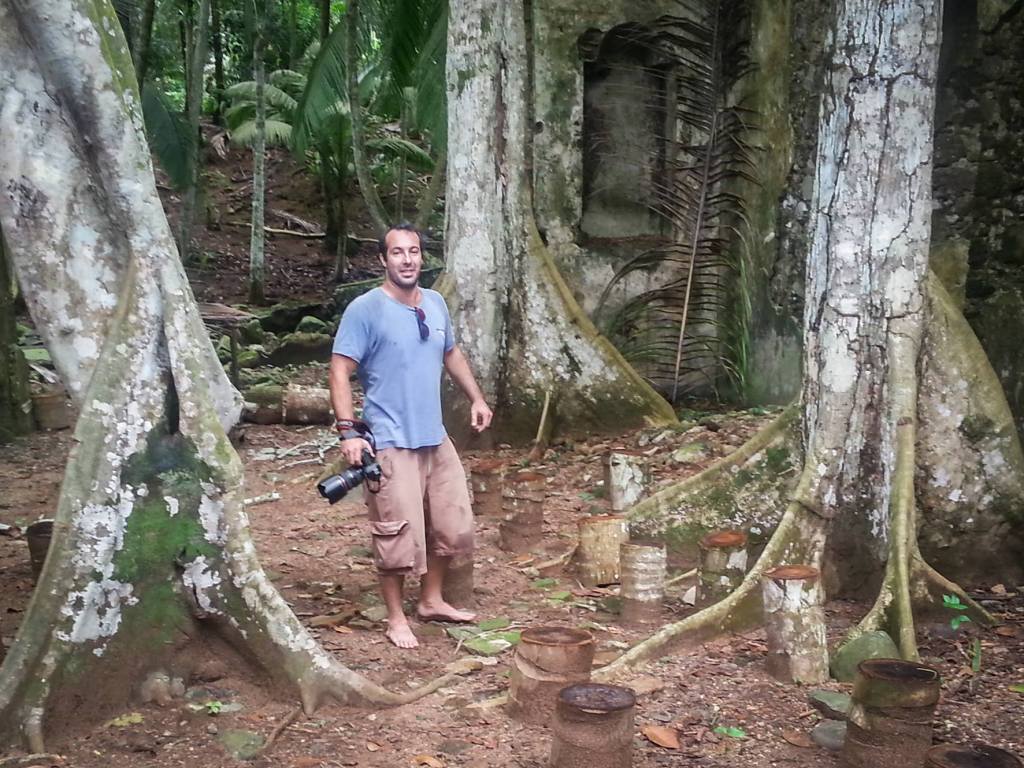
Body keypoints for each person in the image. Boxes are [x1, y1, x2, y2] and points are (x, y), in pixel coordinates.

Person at [329, 223, 493, 649]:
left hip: (434, 437)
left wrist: (476, 398)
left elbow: (450, 352)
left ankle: (432, 600)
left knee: (451, 526)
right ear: (383, 260)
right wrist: (348, 431)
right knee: (395, 535)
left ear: (422, 256)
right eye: (397, 253)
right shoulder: (364, 310)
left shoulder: (436, 302)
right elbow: (340, 370)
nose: (407, 260)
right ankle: (397, 617)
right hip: (388, 440)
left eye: (414, 251)